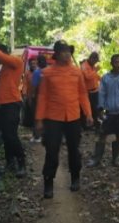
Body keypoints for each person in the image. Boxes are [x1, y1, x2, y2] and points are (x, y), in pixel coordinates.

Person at [35, 41, 93, 198]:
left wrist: (88, 113)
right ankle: (48, 183)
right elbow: (42, 97)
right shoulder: (47, 73)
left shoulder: (77, 72)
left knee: (74, 149)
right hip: (53, 118)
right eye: (63, 51)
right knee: (52, 150)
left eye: (68, 51)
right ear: (57, 54)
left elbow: (82, 94)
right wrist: (39, 120)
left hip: (73, 117)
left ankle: (75, 178)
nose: (67, 54)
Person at [87, 54, 119, 167]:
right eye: (116, 62)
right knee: (102, 134)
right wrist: (100, 107)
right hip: (109, 112)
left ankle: (115, 159)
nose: (118, 64)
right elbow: (102, 93)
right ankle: (96, 159)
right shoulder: (106, 78)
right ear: (111, 63)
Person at [0, 43, 26, 178]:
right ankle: (10, 163)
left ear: (3, 53)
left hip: (12, 105)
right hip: (2, 105)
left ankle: (22, 163)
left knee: (11, 136)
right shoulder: (3, 68)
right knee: (5, 136)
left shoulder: (15, 61)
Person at [81, 52, 101, 130]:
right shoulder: (84, 66)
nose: (96, 63)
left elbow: (95, 77)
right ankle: (85, 125)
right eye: (95, 61)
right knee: (87, 109)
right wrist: (95, 70)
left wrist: (103, 79)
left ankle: (94, 124)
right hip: (87, 92)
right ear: (92, 59)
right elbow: (88, 77)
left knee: (95, 109)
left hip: (95, 91)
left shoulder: (92, 66)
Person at [29, 54, 47, 143]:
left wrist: (31, 97)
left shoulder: (37, 72)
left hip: (38, 97)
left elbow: (33, 87)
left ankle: (36, 136)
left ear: (38, 62)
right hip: (48, 98)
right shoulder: (50, 71)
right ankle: (44, 136)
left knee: (36, 117)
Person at [22, 58, 37, 129]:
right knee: (30, 110)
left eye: (34, 63)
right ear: (29, 65)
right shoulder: (27, 73)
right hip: (29, 96)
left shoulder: (39, 72)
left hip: (38, 96)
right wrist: (24, 94)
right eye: (32, 64)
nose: (33, 65)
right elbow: (24, 84)